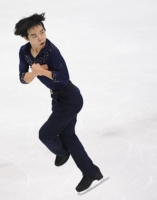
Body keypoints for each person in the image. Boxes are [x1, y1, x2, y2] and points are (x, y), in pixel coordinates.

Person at [14, 13, 103, 192]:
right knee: (68, 136)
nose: (40, 37)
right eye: (34, 35)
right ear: (26, 38)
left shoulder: (51, 51)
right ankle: (92, 172)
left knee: (45, 134)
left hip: (70, 97)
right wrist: (35, 72)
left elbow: (63, 78)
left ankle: (63, 152)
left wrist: (43, 72)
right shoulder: (24, 51)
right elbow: (23, 78)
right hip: (57, 98)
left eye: (42, 32)